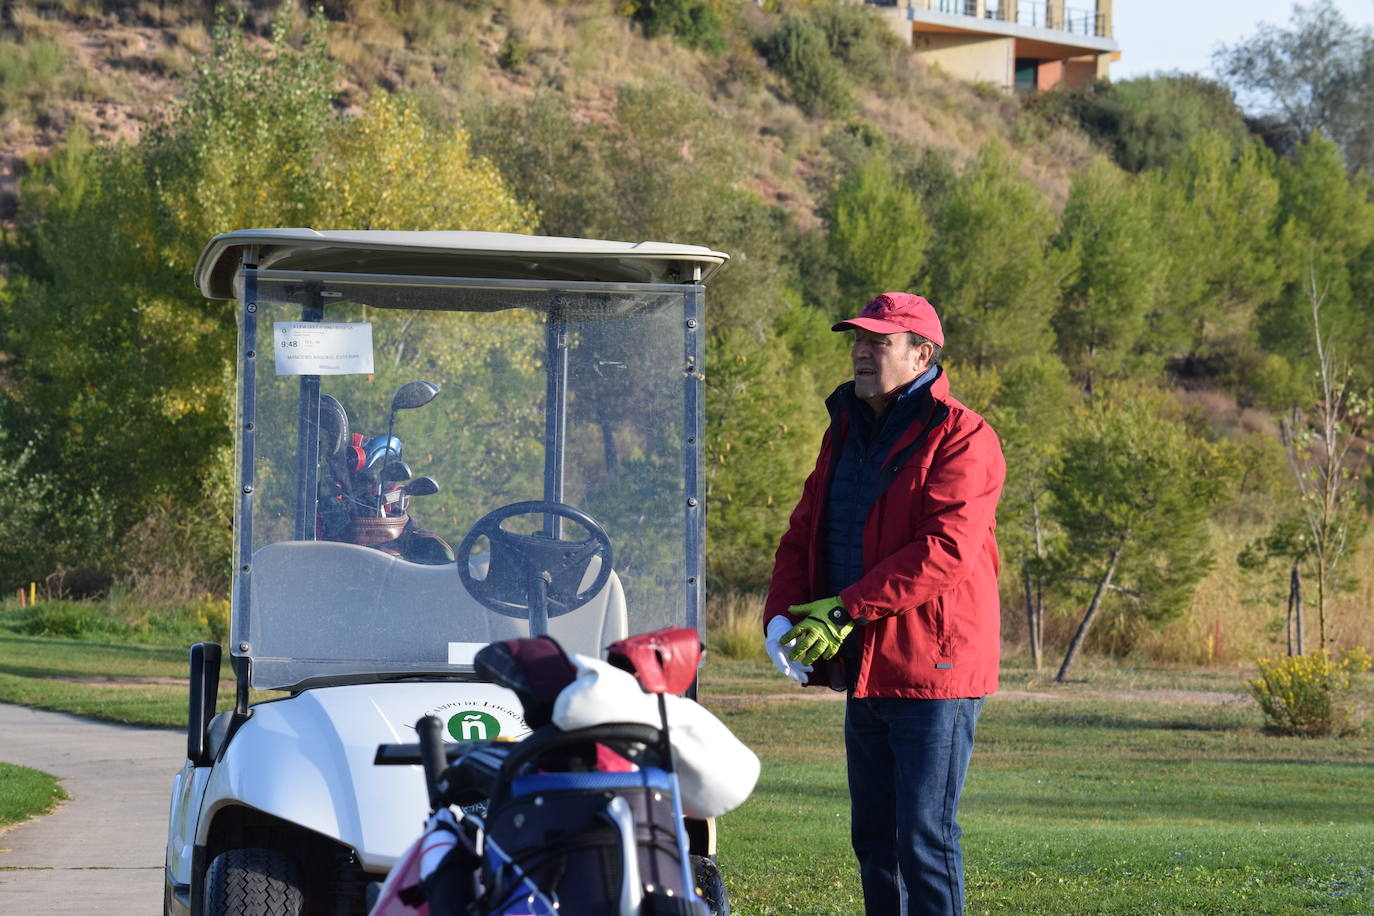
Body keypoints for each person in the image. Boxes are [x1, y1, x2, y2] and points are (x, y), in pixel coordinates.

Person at [762, 292, 1005, 916]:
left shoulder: (964, 436)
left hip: (934, 671)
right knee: (874, 840)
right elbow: (805, 529)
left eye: (880, 342)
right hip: (867, 665)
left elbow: (944, 551)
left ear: (922, 354)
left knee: (923, 840)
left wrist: (844, 609)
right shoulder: (842, 430)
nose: (862, 352)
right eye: (858, 340)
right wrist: (779, 619)